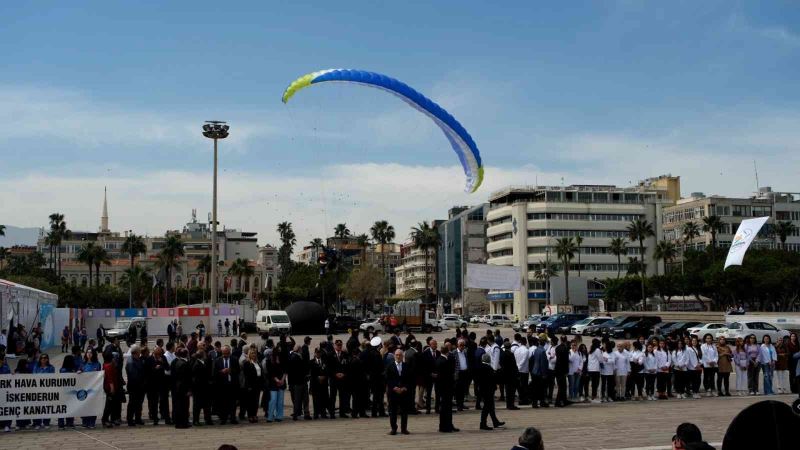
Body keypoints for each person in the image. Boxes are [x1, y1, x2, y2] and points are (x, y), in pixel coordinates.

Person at [385, 348, 412, 435]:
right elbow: (387, 379)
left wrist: (405, 388)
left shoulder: (406, 366)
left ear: (402, 356)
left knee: (404, 411)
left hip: (404, 392)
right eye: (397, 355)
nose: (398, 356)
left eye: (400, 355)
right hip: (393, 392)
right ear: (394, 356)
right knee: (393, 412)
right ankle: (394, 428)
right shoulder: (390, 366)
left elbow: (410, 379)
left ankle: (404, 428)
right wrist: (394, 387)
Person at [477, 352, 505, 430]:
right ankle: (483, 424)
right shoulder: (488, 368)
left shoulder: (479, 367)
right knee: (487, 407)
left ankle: (495, 421)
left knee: (491, 407)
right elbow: (493, 379)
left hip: (483, 390)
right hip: (488, 391)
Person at [213, 345, 240, 425]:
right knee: (223, 403)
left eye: (227, 353)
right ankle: (223, 418)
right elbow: (214, 373)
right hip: (222, 386)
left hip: (232, 385)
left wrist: (230, 371)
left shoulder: (234, 359)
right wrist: (221, 372)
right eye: (224, 353)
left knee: (232, 403)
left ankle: (232, 418)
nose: (225, 355)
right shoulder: (217, 360)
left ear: (229, 352)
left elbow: (238, 371)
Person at [435, 342, 458, 432]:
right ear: (447, 351)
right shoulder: (445, 361)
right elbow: (449, 375)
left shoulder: (438, 360)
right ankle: (446, 426)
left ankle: (445, 425)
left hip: (441, 387)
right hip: (447, 388)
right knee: (447, 408)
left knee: (444, 408)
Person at [143, 346, 169, 425]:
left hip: (162, 383)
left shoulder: (163, 357)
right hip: (152, 384)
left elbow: (167, 367)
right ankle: (155, 418)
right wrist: (155, 368)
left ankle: (166, 417)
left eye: (160, 354)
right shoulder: (149, 359)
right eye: (157, 354)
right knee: (154, 402)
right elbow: (146, 372)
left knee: (164, 400)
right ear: (154, 353)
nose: (159, 356)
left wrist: (163, 362)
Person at [327, 339, 350, 418]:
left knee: (342, 396)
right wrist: (335, 374)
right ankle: (332, 413)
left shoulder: (345, 354)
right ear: (334, 345)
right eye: (338, 345)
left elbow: (347, 366)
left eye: (340, 345)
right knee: (332, 396)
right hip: (334, 379)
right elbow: (328, 367)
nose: (339, 346)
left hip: (342, 378)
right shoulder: (330, 354)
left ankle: (342, 412)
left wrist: (344, 374)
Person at [31, 353, 55, 429]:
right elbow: (34, 377)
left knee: (47, 406)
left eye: (45, 358)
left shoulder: (51, 368)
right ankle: (37, 423)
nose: (43, 359)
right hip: (37, 390)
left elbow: (52, 377)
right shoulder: (36, 367)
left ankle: (46, 422)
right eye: (42, 358)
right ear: (40, 359)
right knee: (37, 407)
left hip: (47, 390)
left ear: (47, 359)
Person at [288, 344, 311, 420]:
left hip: (300, 381)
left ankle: (301, 413)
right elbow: (298, 370)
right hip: (299, 381)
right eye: (301, 349)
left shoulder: (295, 356)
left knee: (302, 399)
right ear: (298, 350)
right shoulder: (295, 357)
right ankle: (299, 413)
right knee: (300, 399)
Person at [240, 348, 264, 423]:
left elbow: (261, 373)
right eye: (252, 353)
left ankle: (254, 415)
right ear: (249, 354)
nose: (254, 354)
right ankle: (250, 415)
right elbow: (246, 376)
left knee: (256, 401)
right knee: (250, 401)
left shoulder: (258, 362)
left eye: (255, 353)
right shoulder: (246, 363)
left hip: (258, 385)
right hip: (250, 385)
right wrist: (248, 386)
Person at [125, 345, 145, 426]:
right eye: (139, 351)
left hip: (139, 386)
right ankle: (130, 419)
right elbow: (134, 376)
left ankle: (138, 418)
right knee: (132, 403)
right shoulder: (131, 362)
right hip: (134, 386)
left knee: (139, 403)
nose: (140, 352)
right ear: (136, 352)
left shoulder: (137, 359)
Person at [267, 343, 287, 422]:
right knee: (273, 399)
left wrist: (282, 380)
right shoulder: (270, 361)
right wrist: (277, 380)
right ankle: (270, 416)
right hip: (273, 382)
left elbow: (285, 371)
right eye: (279, 350)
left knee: (280, 400)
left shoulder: (283, 359)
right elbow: (270, 373)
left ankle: (279, 416)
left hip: (281, 381)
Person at [310, 348, 329, 419]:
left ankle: (323, 413)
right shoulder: (311, 362)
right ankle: (316, 414)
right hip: (315, 383)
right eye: (317, 353)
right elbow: (311, 373)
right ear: (315, 353)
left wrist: (324, 377)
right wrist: (318, 377)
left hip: (323, 383)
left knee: (323, 398)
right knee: (315, 399)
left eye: (319, 353)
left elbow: (327, 371)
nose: (318, 354)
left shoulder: (324, 361)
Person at [500, 341, 519, 410]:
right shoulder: (511, 354)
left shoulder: (502, 354)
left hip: (505, 375)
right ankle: (511, 405)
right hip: (511, 375)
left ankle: (508, 404)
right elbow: (514, 365)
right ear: (510, 347)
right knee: (512, 391)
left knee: (507, 391)